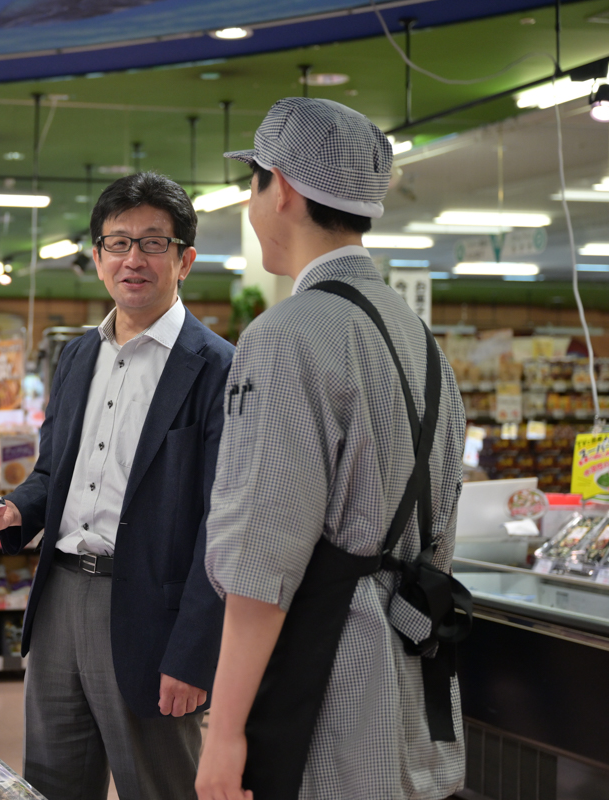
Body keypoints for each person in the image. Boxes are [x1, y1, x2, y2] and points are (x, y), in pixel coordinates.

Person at [195, 98, 466, 800]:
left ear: (278, 188)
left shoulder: (286, 335)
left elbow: (261, 560)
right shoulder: (419, 340)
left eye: (252, 184)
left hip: (320, 689)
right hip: (407, 679)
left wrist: (223, 732)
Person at [0, 172, 234, 799]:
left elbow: (223, 526)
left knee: (158, 784)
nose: (133, 259)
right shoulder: (79, 355)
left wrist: (193, 653)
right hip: (59, 601)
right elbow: (54, 472)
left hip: (149, 610)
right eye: (117, 243)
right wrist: (13, 513)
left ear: (185, 259)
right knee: (52, 779)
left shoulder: (219, 368)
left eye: (153, 243)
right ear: (98, 258)